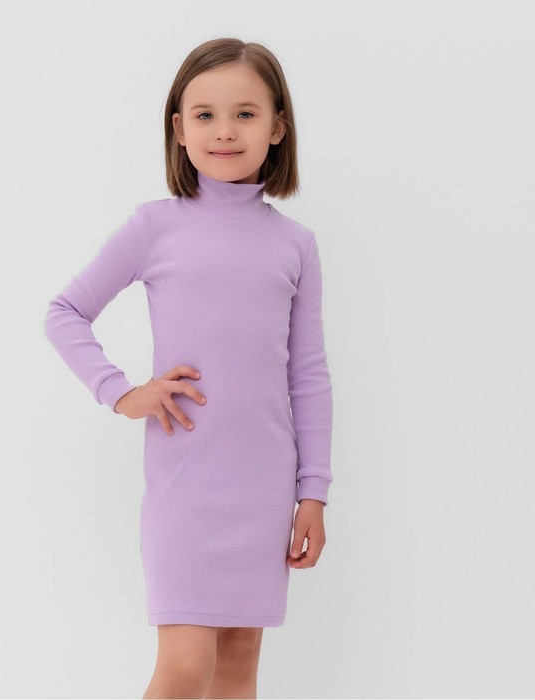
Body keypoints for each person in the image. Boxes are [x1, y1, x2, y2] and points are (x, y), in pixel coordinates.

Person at [44, 37, 333, 700]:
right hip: (185, 487)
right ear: (178, 129)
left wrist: (312, 493)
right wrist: (121, 393)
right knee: (184, 667)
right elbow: (65, 312)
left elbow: (309, 376)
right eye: (204, 115)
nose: (224, 131)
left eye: (245, 114)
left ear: (278, 126)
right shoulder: (155, 227)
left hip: (263, 489)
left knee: (238, 663)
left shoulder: (295, 245)